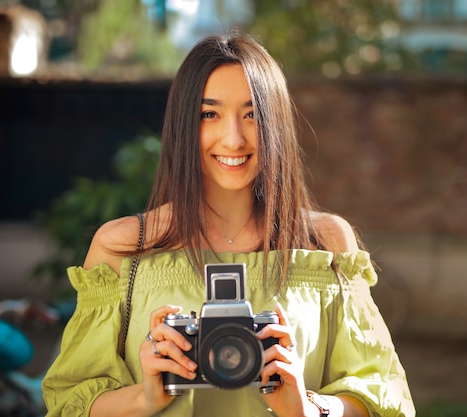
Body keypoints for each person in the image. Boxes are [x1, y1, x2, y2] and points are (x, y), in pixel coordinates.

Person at [41, 34, 414, 417]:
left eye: (252, 114)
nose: (234, 139)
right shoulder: (124, 248)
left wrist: (310, 408)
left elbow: (382, 396)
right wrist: (145, 397)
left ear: (276, 124)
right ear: (184, 125)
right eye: (210, 114)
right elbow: (70, 404)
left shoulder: (325, 244)